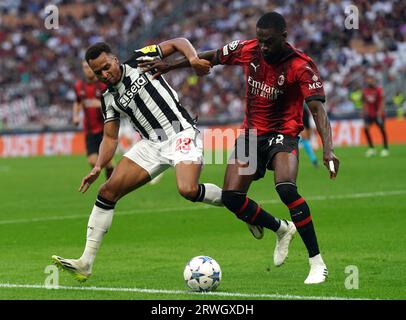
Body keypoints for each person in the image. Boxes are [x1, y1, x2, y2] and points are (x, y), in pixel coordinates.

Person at [140, 12, 340, 284]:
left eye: (268, 42)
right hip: (251, 136)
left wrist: (328, 149)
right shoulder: (249, 49)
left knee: (286, 188)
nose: (263, 47)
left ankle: (317, 263)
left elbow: (318, 109)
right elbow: (210, 56)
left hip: (283, 135)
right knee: (233, 198)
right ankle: (281, 229)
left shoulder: (301, 66)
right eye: (260, 40)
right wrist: (170, 66)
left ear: (283, 37)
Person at [52, 38, 228, 282]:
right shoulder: (108, 98)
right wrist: (98, 166)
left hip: (180, 132)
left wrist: (193, 58)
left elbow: (179, 42)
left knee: (187, 190)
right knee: (107, 192)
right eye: (97, 72)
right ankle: (85, 263)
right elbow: (110, 138)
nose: (104, 74)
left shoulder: (138, 59)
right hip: (151, 145)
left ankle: (234, 201)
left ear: (115, 59)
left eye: (106, 67)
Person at [73, 61, 115, 179]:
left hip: (104, 128)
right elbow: (77, 101)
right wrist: (75, 115)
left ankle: (111, 181)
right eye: (85, 67)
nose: (88, 70)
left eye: (89, 67)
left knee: (104, 159)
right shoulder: (79, 86)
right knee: (92, 161)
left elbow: (113, 101)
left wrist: (100, 105)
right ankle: (111, 170)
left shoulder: (102, 84)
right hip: (89, 130)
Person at [362, 74, 389, 157]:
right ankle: (371, 148)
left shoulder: (378, 90)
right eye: (368, 79)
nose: (369, 81)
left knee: (382, 129)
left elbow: (382, 100)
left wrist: (380, 111)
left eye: (371, 79)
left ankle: (385, 148)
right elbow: (364, 101)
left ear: (373, 80)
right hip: (369, 114)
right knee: (366, 129)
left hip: (378, 114)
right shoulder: (365, 90)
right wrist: (364, 110)